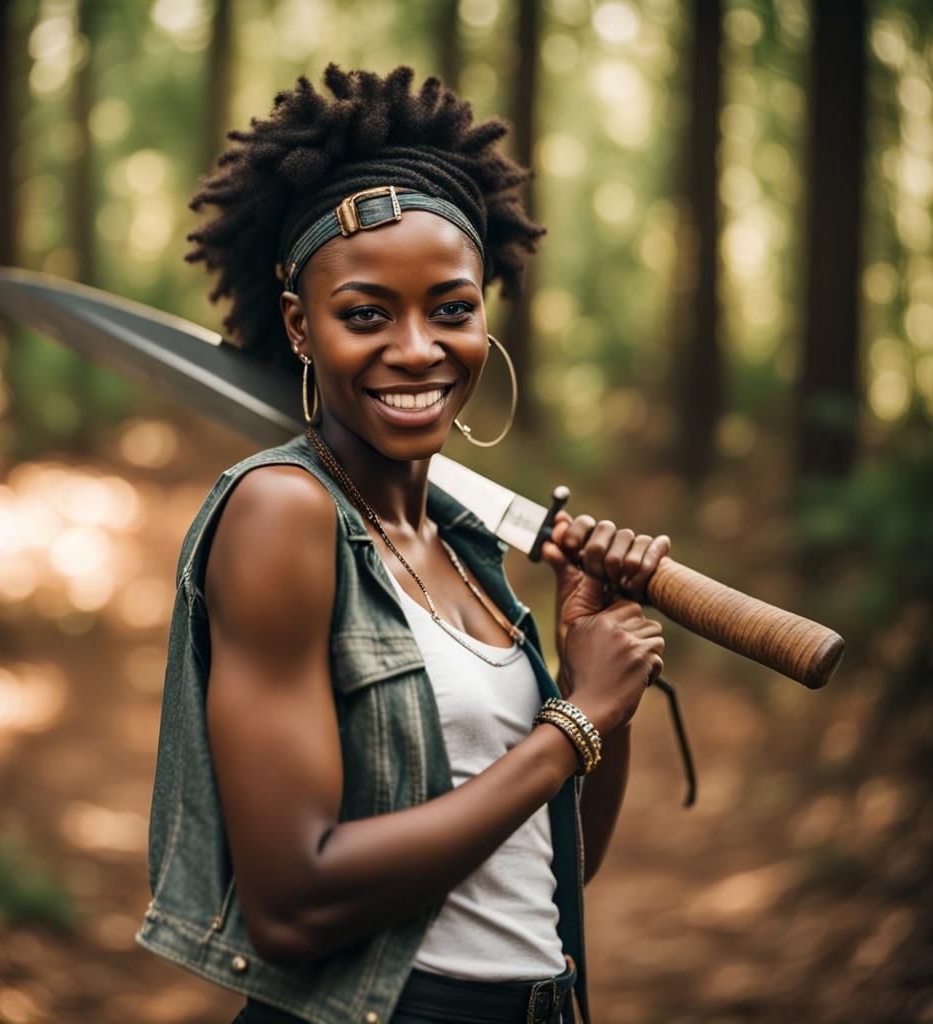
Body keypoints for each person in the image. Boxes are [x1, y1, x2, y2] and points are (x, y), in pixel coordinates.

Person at [135, 64, 670, 1024]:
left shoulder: (465, 550)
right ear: (302, 325)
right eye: (367, 314)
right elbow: (295, 903)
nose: (419, 348)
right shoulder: (282, 514)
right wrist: (576, 722)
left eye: (451, 310)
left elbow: (556, 864)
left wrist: (600, 691)